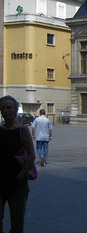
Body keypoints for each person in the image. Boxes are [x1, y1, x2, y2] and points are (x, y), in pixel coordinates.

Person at [0, 95, 35, 233]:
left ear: (15, 110)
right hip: (0, 180)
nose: (6, 111)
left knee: (17, 221)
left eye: (9, 108)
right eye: (3, 108)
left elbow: (31, 155)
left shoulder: (22, 130)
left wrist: (21, 175)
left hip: (17, 183)